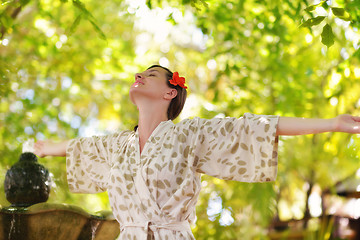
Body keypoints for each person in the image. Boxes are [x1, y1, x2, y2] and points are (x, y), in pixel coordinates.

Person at [34, 65, 360, 240]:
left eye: (149, 75)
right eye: (139, 74)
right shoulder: (116, 145)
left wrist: (331, 123)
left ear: (169, 91)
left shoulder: (191, 134)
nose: (138, 76)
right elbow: (78, 148)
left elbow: (258, 127)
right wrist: (43, 149)